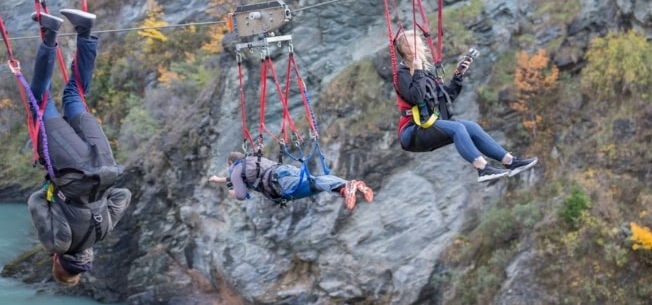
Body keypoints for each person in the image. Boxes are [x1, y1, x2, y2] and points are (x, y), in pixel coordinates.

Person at [26, 9, 131, 285]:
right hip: (73, 170)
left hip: (106, 166)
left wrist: (94, 198)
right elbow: (35, 202)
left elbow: (123, 195)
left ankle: (85, 31)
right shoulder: (58, 244)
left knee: (75, 93)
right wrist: (54, 190)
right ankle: (49, 35)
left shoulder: (102, 232)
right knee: (40, 102)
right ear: (58, 261)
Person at [394, 29, 537, 182]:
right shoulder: (403, 74)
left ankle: (510, 162)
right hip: (413, 131)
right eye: (417, 44)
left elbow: (446, 97)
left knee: (471, 126)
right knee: (458, 128)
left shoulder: (423, 73)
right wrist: (418, 72)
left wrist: (458, 75)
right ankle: (482, 168)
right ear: (409, 51)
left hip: (427, 124)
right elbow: (417, 97)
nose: (422, 46)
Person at [209, 152, 374, 210]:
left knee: (312, 185)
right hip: (285, 171)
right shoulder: (252, 161)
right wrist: (218, 180)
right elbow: (236, 178)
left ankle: (346, 187)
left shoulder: (237, 170)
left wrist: (232, 194)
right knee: (314, 182)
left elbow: (241, 194)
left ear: (231, 163)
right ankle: (346, 187)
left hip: (280, 182)